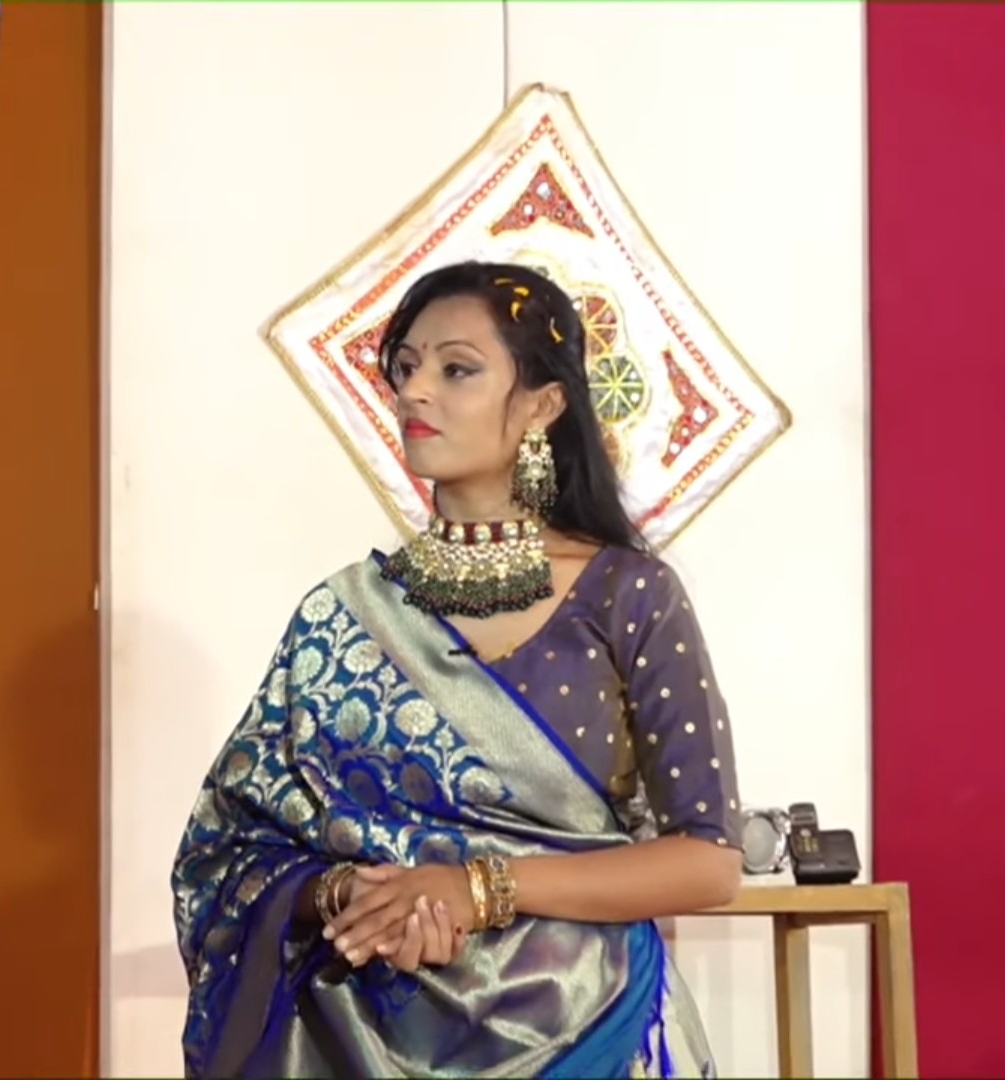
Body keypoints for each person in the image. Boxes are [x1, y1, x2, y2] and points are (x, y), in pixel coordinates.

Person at [171, 262, 748, 1079]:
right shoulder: (344, 616)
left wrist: (476, 889)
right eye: (406, 367)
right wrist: (349, 895)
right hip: (358, 1039)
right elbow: (227, 851)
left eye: (457, 369)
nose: (415, 391)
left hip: (588, 1033)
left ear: (543, 404)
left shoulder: (629, 594)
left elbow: (709, 861)